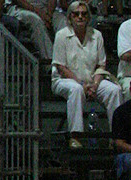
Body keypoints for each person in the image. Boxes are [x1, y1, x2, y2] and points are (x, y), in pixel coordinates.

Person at [51, 1, 122, 149]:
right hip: (65, 80)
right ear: (70, 17)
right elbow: (61, 67)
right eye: (76, 14)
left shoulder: (97, 36)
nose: (80, 17)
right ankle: (75, 136)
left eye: (84, 14)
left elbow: (101, 65)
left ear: (89, 17)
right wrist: (82, 85)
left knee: (114, 91)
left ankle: (116, 138)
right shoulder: (61, 35)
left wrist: (94, 85)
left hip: (92, 79)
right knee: (76, 89)